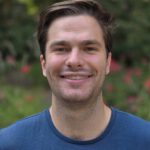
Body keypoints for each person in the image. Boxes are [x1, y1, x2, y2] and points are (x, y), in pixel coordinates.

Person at [0, 0, 150, 149]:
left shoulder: (145, 141)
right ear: (43, 64)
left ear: (108, 62)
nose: (74, 61)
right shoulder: (8, 144)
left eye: (89, 48)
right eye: (61, 48)